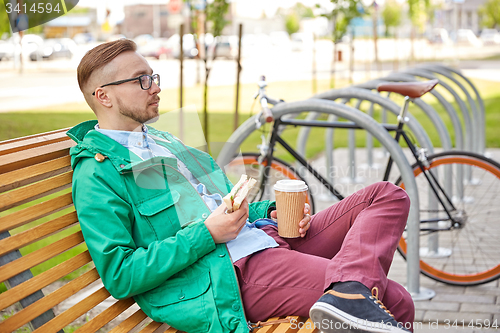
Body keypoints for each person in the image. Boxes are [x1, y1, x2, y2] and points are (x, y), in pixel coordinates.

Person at [69, 39, 415, 333]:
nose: (156, 87)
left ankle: (349, 291)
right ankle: (350, 294)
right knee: (394, 299)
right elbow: (120, 274)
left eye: (153, 77)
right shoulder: (99, 172)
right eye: (141, 80)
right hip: (229, 270)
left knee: (385, 195)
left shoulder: (164, 139)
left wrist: (271, 212)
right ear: (105, 97)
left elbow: (218, 200)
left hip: (263, 236)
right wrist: (208, 233)